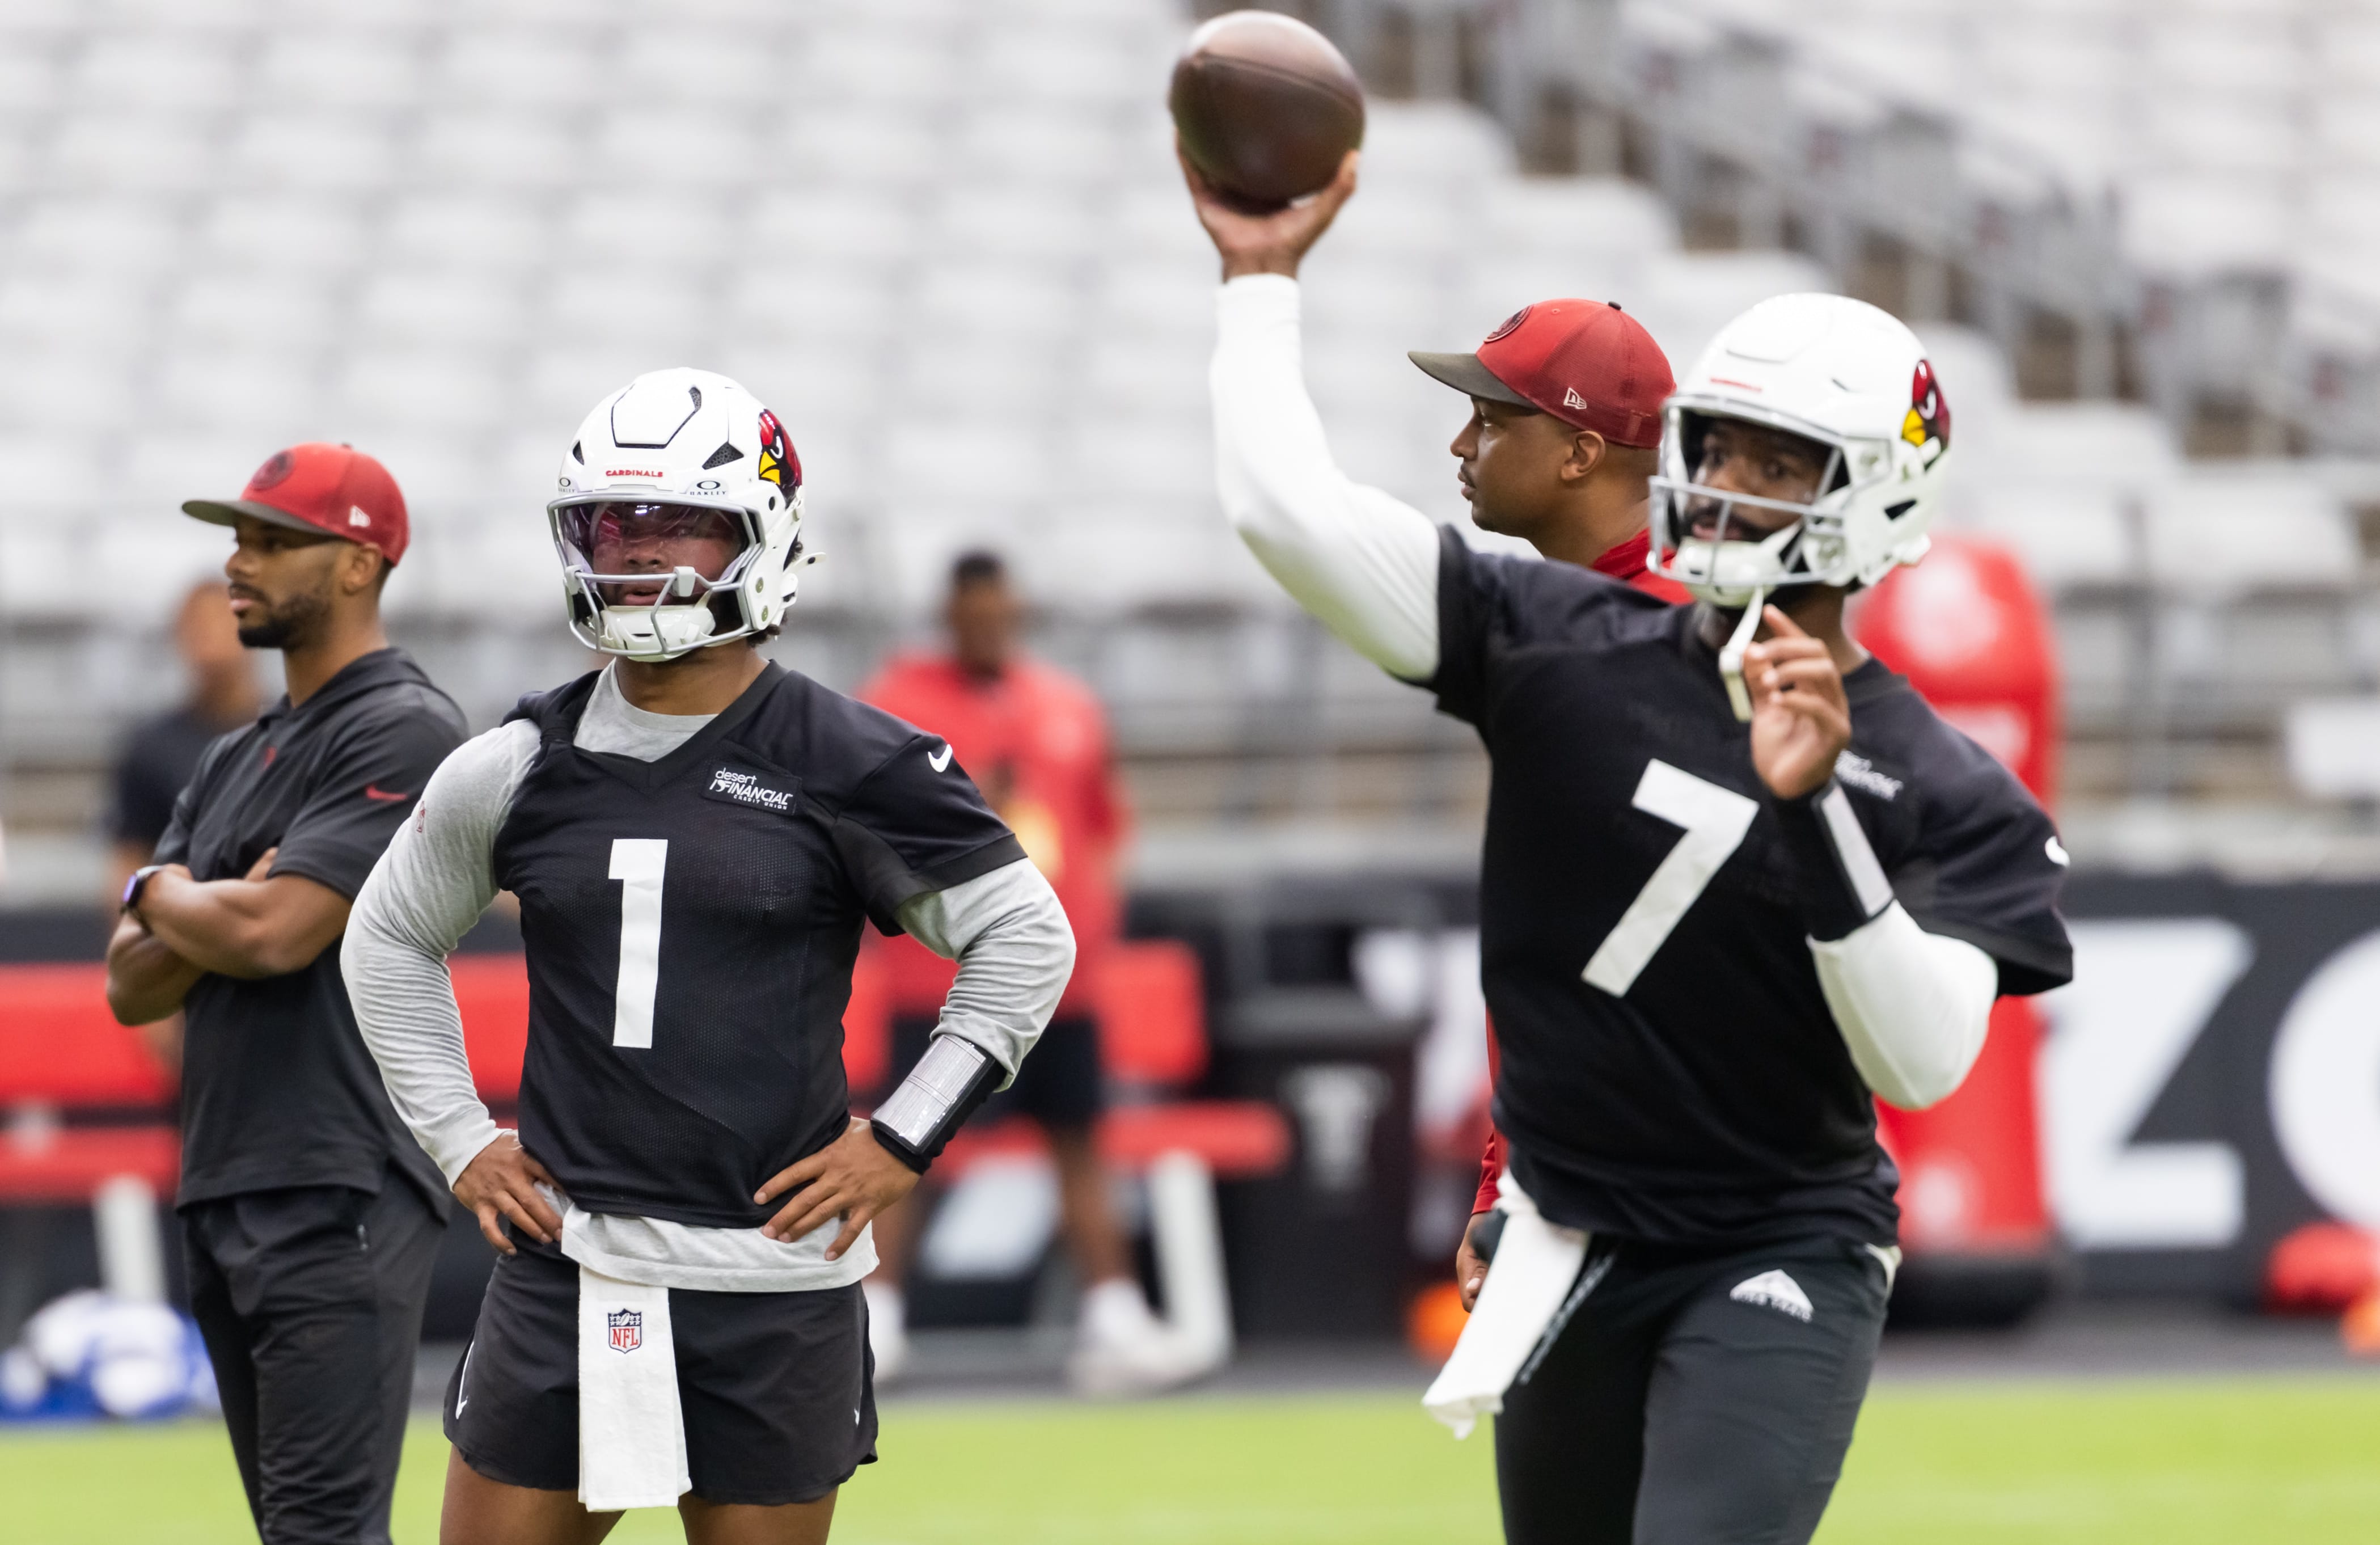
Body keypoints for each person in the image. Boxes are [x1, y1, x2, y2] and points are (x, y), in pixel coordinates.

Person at [1186, 154, 2072, 1544]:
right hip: (1571, 1232)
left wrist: (1816, 809)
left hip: (1779, 1239)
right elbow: (1284, 515)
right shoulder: (1562, 638)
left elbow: (1921, 1059)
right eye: (1713, 446)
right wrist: (1256, 279)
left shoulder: (1947, 782)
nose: (1723, 485)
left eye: (1777, 464)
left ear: (1877, 495)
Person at [341, 369, 1074, 1544]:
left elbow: (1026, 936)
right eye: (612, 527)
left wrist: (901, 1135)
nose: (638, 558)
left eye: (679, 525)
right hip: (571, 1264)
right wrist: (459, 1139)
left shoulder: (855, 760)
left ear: (765, 540)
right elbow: (385, 938)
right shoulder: (517, 761)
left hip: (773, 1282)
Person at [103, 442, 467, 1545]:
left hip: (337, 1179)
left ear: (359, 563)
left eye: (273, 539)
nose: (238, 562)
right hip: (226, 1178)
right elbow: (128, 983)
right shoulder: (233, 757)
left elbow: (273, 934)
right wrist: (181, 894)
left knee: (323, 1531)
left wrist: (170, 898)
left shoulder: (404, 725)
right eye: (238, 537)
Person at [857, 551, 1202, 1396]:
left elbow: (1103, 830)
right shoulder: (896, 704)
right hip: (935, 982)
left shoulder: (1065, 705)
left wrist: (1094, 930)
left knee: (1079, 1144)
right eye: (976, 614)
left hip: (1058, 988)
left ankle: (1116, 1318)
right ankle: (874, 1321)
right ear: (952, 615)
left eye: (1002, 613)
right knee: (903, 1143)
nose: (990, 628)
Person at [106, 579, 264, 1074]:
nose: (209, 640)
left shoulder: (298, 732)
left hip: (281, 954)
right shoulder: (152, 746)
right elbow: (129, 867)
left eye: (223, 623)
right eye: (196, 627)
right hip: (187, 963)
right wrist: (144, 973)